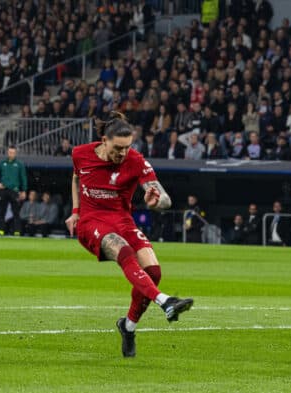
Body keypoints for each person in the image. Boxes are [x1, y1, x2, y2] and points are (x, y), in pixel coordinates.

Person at [65, 111, 193, 358]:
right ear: (104, 140)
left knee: (153, 272)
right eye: (118, 148)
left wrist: (155, 200)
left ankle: (128, 326)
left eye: (127, 148)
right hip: (92, 221)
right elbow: (75, 176)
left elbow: (164, 198)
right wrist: (75, 210)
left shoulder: (135, 160)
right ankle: (165, 301)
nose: (122, 153)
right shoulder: (80, 153)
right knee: (123, 249)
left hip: (122, 220)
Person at [0, 146, 27, 236]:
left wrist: (23, 190)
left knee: (16, 212)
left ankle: (17, 231)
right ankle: (1, 230)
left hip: (14, 190)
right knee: (2, 211)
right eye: (10, 152)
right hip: (3, 190)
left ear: (15, 153)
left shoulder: (19, 164)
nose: (11, 154)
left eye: (13, 152)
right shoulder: (1, 163)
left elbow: (23, 177)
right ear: (7, 153)